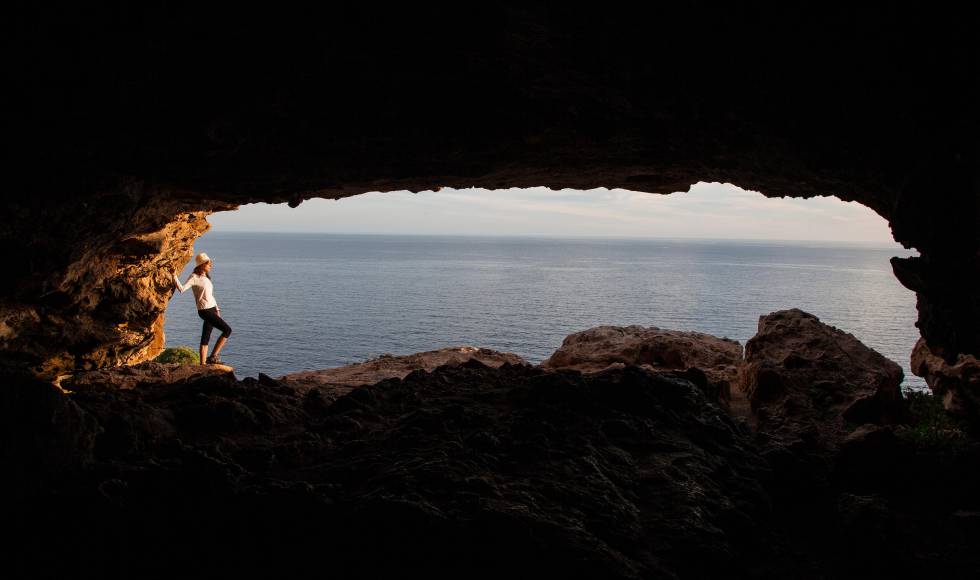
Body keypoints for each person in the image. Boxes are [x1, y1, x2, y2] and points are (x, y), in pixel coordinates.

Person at [171, 252, 232, 365]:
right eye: (209, 264)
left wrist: (217, 309)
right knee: (227, 330)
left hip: (213, 309)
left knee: (206, 337)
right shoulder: (194, 277)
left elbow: (210, 295)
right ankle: (213, 356)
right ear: (202, 265)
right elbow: (182, 289)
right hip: (204, 310)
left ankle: (202, 364)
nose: (211, 266)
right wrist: (174, 276)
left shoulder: (206, 278)